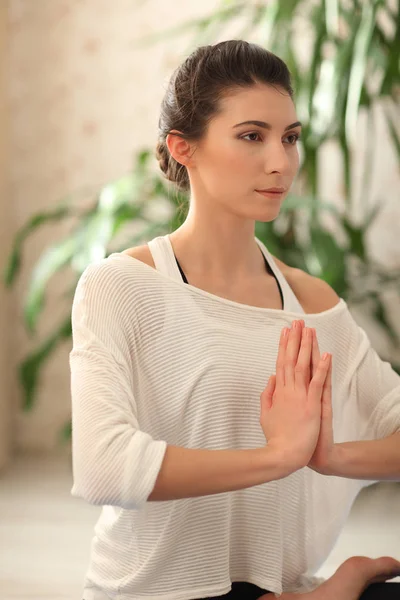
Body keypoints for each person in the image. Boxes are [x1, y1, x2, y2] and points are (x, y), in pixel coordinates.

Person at [69, 40, 400, 600]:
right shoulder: (118, 286)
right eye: (252, 136)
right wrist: (276, 457)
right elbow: (104, 466)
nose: (281, 161)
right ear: (184, 148)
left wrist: (328, 456)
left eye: (290, 138)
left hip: (275, 587)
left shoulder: (311, 303)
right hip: (155, 591)